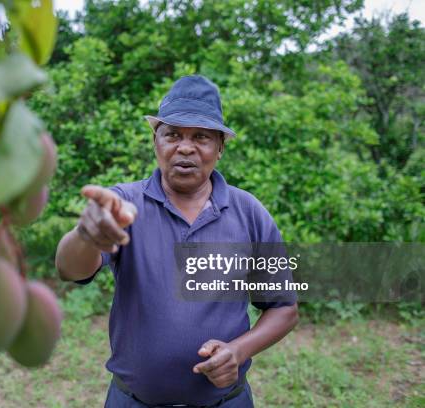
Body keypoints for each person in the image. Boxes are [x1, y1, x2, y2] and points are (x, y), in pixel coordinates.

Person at [55, 75, 299, 407]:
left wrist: (238, 351)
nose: (185, 147)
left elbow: (284, 307)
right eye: (172, 134)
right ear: (156, 141)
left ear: (220, 148)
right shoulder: (124, 204)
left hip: (226, 401)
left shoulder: (249, 213)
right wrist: (85, 234)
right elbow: (70, 269)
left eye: (201, 136)